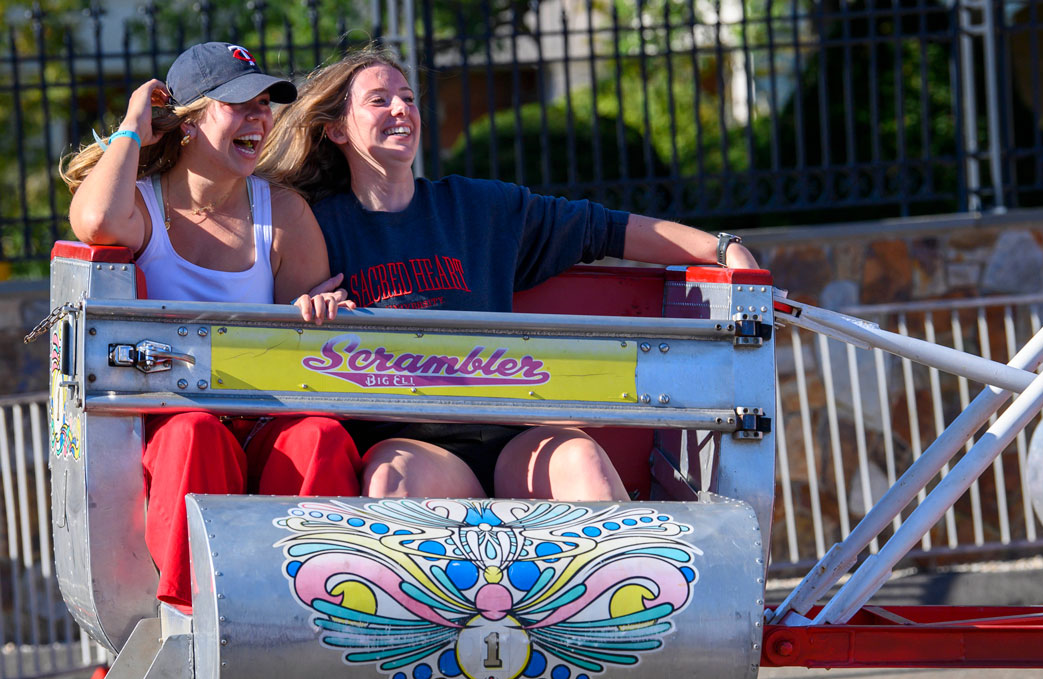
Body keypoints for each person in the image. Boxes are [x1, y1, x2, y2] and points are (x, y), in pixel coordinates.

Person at [259, 46, 759, 503]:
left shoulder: (479, 208)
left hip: (513, 434)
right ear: (337, 128)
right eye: (379, 99)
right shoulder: (316, 226)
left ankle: (637, 598)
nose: (401, 109)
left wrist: (722, 248)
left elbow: (605, 228)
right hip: (413, 447)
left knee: (582, 461)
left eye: (407, 98)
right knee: (393, 480)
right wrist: (314, 316)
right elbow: (296, 338)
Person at [61, 42, 361, 612]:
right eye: (239, 103)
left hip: (264, 417)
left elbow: (313, 355)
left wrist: (316, 318)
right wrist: (131, 125)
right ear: (191, 120)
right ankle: (191, 616)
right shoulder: (141, 205)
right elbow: (96, 222)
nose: (259, 117)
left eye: (265, 103)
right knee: (192, 431)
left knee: (319, 436)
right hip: (171, 427)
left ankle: (312, 608)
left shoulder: (284, 212)